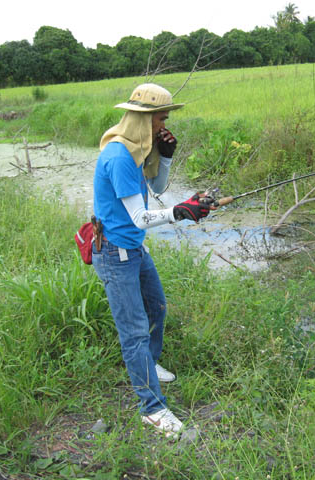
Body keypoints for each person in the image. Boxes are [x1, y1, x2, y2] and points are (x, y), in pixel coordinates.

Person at [91, 83, 211, 437]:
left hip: (133, 249)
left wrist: (167, 155)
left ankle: (150, 363)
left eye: (165, 118)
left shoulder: (137, 150)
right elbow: (141, 217)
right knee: (133, 334)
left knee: (156, 308)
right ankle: (152, 408)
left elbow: (156, 189)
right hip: (115, 252)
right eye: (161, 118)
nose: (164, 124)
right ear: (143, 118)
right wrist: (181, 211)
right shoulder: (118, 157)